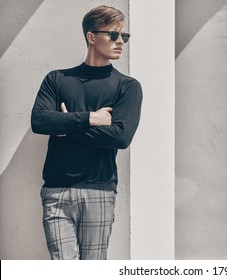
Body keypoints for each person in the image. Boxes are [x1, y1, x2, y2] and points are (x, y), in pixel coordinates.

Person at [30, 5, 142, 260]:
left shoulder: (127, 87)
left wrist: (65, 126)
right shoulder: (56, 79)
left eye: (124, 36)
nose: (120, 42)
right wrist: (91, 118)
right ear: (91, 37)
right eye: (113, 35)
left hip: (99, 190)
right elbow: (40, 121)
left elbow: (121, 137)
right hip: (56, 190)